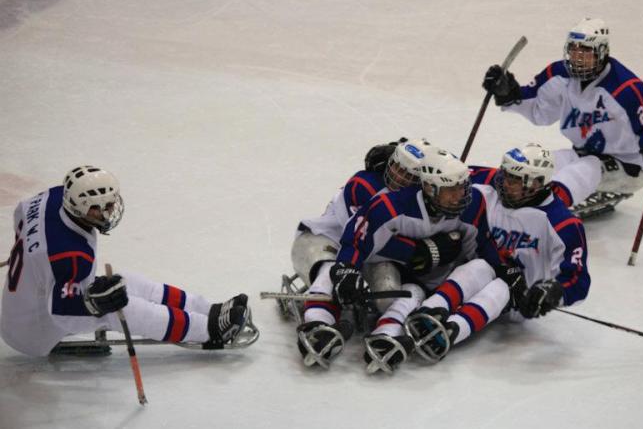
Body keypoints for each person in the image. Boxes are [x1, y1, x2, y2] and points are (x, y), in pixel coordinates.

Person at [1, 166, 253, 357]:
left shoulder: (53, 197)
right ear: (83, 207)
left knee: (126, 281)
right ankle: (209, 330)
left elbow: (21, 213)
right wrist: (93, 305)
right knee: (123, 308)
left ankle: (208, 309)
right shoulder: (72, 256)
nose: (111, 210)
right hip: (33, 330)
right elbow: (60, 308)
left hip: (26, 306)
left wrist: (38, 268)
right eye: (104, 206)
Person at [298, 149, 505, 373]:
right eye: (451, 190)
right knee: (331, 267)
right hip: (343, 248)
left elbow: (481, 250)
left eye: (462, 187)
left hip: (397, 269)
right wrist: (346, 272)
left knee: (409, 291)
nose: (460, 195)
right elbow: (355, 241)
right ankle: (318, 322)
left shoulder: (472, 206)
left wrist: (505, 272)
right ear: (429, 188)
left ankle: (386, 333)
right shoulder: (388, 204)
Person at [406, 144, 590, 361]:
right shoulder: (493, 181)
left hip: (519, 296)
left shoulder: (563, 224)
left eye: (514, 179)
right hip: (485, 267)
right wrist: (408, 157)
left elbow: (578, 281)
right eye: (505, 174)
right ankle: (430, 310)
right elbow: (446, 172)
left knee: (500, 287)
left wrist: (552, 292)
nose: (503, 181)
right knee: (479, 266)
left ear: (537, 183)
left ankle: (453, 330)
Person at [482, 17, 643, 210]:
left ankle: (551, 211)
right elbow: (539, 110)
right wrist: (508, 92)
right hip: (581, 154)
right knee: (537, 164)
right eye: (574, 50)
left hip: (628, 166)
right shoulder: (559, 74)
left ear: (602, 53)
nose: (578, 57)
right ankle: (488, 197)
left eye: (585, 51)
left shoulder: (625, 88)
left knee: (585, 168)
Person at [291, 138, 436, 368]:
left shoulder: (419, 200)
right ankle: (317, 325)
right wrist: (418, 251)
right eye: (397, 168)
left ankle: (388, 328)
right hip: (327, 241)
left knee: (388, 296)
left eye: (409, 175)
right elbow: (367, 238)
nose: (399, 177)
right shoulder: (364, 184)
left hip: (378, 260)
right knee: (330, 269)